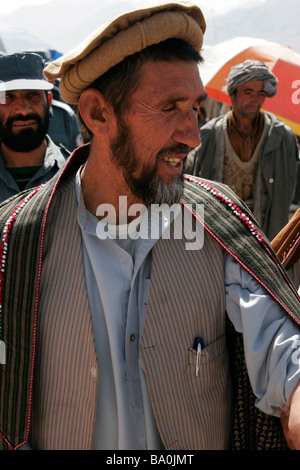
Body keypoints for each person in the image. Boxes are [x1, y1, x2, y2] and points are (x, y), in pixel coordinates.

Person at [1, 3, 300, 451]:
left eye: (196, 108)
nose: (193, 135)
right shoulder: (17, 239)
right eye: (169, 108)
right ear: (98, 114)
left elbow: (281, 348)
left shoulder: (218, 222)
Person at [186, 59, 299, 240]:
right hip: (219, 234)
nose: (256, 99)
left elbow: (288, 192)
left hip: (263, 236)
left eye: (260, 93)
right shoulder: (210, 136)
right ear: (233, 95)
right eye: (248, 92)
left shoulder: (280, 137)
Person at [0, 51, 68, 202]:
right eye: (8, 97)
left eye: (32, 95)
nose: (23, 110)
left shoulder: (77, 175)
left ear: (49, 101)